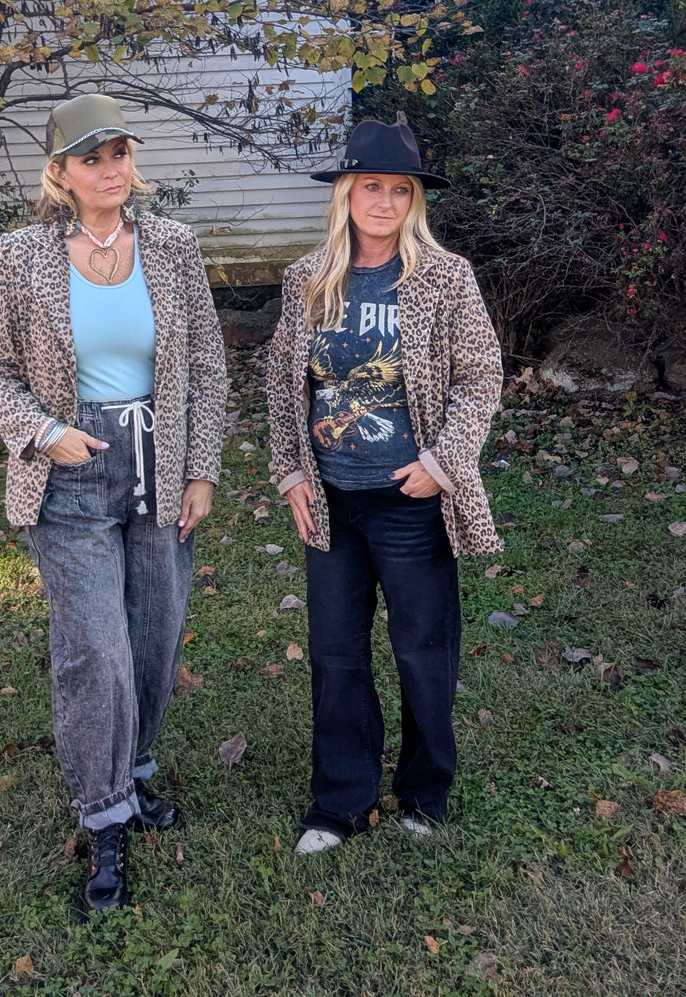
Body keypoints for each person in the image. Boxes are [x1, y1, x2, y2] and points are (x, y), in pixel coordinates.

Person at [0, 93, 226, 911]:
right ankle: (104, 817)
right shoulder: (22, 257)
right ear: (61, 173)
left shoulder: (175, 247)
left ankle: (133, 771)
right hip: (71, 473)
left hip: (162, 465)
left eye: (118, 153)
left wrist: (202, 470)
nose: (110, 170)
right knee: (97, 653)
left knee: (154, 641)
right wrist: (46, 430)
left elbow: (210, 368)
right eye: (92, 158)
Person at [265, 116, 503, 853]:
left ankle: (424, 793)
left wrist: (442, 462)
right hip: (332, 502)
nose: (384, 200)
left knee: (423, 649)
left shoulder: (444, 276)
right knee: (336, 653)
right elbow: (282, 383)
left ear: (413, 201)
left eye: (400, 189)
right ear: (346, 192)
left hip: (410, 501)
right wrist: (292, 471)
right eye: (371, 185)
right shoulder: (307, 278)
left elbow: (481, 375)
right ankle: (340, 800)